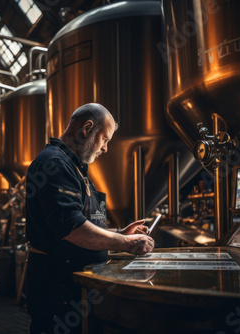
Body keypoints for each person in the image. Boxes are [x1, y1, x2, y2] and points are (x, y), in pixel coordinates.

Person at [25, 103, 155, 334]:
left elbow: (83, 221)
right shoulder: (54, 163)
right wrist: (127, 244)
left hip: (71, 288)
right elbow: (73, 228)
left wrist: (119, 233)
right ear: (87, 128)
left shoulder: (73, 166)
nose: (106, 148)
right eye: (105, 139)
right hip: (56, 290)